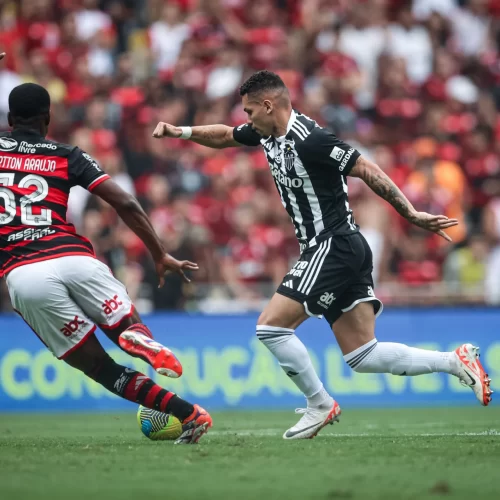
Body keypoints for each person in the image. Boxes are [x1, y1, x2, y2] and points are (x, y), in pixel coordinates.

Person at [153, 70, 493, 440]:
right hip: (342, 248)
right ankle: (455, 362)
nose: (246, 120)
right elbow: (224, 135)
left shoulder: (311, 140)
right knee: (364, 356)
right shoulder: (267, 133)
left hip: (333, 244)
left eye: (250, 111)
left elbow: (364, 167)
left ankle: (319, 403)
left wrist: (410, 212)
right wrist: (180, 132)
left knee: (270, 326)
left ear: (269, 106)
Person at [0, 79, 212, 444]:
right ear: (48, 119)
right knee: (123, 329)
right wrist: (159, 253)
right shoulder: (68, 155)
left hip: (25, 274)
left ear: (9, 117)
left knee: (100, 367)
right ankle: (135, 335)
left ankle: (189, 414)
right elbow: (126, 203)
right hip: (74, 258)